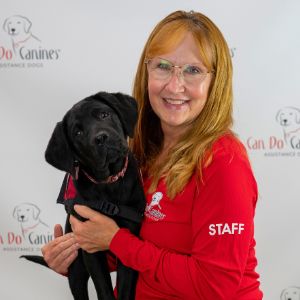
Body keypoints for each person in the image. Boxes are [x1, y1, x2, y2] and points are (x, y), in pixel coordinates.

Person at [42, 10, 263, 299]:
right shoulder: (138, 153)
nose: (174, 85)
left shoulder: (223, 162)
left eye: (193, 70)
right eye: (162, 66)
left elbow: (215, 286)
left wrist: (117, 240)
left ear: (215, 81)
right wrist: (77, 252)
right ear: (146, 72)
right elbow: (133, 248)